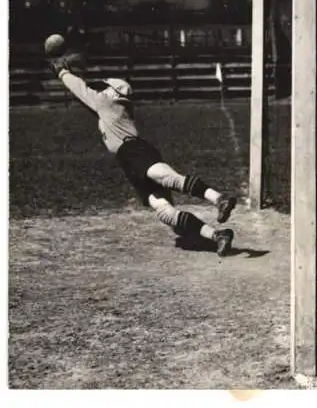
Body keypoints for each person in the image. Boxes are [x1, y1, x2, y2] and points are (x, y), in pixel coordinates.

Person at [47, 50, 237, 256]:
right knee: (166, 213)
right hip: (128, 158)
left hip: (135, 150)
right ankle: (219, 235)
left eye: (103, 88)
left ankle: (219, 198)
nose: (98, 90)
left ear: (114, 92)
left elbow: (80, 89)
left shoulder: (106, 102)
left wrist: (62, 72)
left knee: (166, 178)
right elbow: (86, 94)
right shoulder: (110, 104)